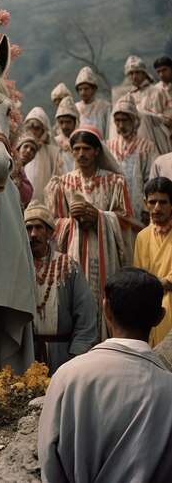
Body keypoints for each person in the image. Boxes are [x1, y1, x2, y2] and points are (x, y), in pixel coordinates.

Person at [38, 267, 172, 483]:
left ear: (106, 309)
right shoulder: (168, 388)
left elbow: (49, 461)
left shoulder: (67, 376)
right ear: (159, 317)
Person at [45, 126, 132, 339]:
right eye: (76, 149)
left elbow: (126, 220)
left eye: (86, 148)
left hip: (105, 258)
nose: (81, 154)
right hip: (73, 256)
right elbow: (51, 223)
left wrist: (100, 217)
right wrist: (69, 221)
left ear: (97, 151)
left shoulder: (114, 181)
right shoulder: (62, 182)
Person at [24, 201, 97, 375]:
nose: (33, 234)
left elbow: (85, 316)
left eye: (39, 227)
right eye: (28, 228)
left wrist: (75, 357)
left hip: (64, 357)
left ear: (50, 232)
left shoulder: (69, 266)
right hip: (26, 356)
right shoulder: (19, 267)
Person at [106, 93, 157, 226]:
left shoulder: (146, 146)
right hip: (114, 208)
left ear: (134, 120)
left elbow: (150, 179)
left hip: (139, 209)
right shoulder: (109, 146)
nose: (121, 125)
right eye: (118, 120)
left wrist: (147, 208)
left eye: (125, 120)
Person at [134, 177, 172, 347]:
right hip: (149, 307)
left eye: (162, 202)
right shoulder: (142, 236)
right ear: (145, 203)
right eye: (152, 202)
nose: (156, 208)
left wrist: (163, 282)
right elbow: (139, 275)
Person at [124, 54, 171, 154]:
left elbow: (168, 118)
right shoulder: (128, 97)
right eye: (130, 73)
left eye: (137, 72)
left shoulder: (158, 91)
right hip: (137, 144)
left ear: (144, 74)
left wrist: (146, 116)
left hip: (157, 141)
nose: (134, 76)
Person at [22, 106, 63, 204]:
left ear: (43, 129)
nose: (33, 132)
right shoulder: (23, 148)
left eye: (37, 128)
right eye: (30, 128)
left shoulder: (51, 151)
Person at [74, 66, 111, 139]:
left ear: (94, 89)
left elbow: (108, 130)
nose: (83, 92)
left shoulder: (104, 106)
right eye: (80, 89)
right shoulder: (75, 108)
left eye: (86, 89)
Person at [11, 134, 38, 208]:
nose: (28, 151)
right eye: (25, 146)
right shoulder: (9, 167)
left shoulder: (24, 176)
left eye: (32, 150)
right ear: (18, 149)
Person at [54, 95, 79, 172]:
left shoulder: (82, 140)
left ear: (75, 122)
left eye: (68, 122)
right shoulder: (54, 142)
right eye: (61, 122)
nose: (64, 126)